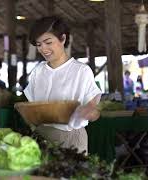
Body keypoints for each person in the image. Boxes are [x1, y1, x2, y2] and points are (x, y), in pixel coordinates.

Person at [25, 16, 102, 153]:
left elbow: (93, 109)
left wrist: (90, 112)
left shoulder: (81, 71)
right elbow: (32, 107)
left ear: (63, 39)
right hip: (40, 136)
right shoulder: (38, 71)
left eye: (48, 42)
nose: (43, 48)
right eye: (39, 44)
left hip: (70, 139)